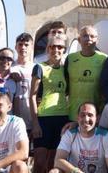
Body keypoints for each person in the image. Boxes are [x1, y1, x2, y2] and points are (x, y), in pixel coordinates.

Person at [31, 34, 70, 173]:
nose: (56, 50)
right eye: (52, 46)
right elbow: (32, 96)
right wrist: (35, 123)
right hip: (43, 118)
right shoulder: (39, 67)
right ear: (48, 49)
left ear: (64, 50)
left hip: (62, 118)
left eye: (59, 47)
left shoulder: (66, 69)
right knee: (39, 163)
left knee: (53, 165)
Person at [50, 102, 108, 173]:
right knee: (54, 171)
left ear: (97, 118)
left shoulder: (106, 136)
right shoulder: (70, 134)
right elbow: (58, 160)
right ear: (77, 118)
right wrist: (76, 171)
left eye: (90, 115)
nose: (86, 119)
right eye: (82, 115)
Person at [63, 25, 107, 121]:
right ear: (79, 40)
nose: (89, 39)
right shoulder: (70, 58)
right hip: (73, 114)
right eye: (85, 36)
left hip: (94, 116)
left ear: (97, 40)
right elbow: (64, 87)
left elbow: (106, 87)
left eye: (92, 36)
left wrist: (102, 112)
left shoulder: (104, 59)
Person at [10, 33, 36, 138]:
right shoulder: (10, 67)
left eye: (26, 44)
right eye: (20, 44)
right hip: (13, 119)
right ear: (16, 47)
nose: (23, 47)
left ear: (31, 47)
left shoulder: (37, 68)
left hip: (32, 118)